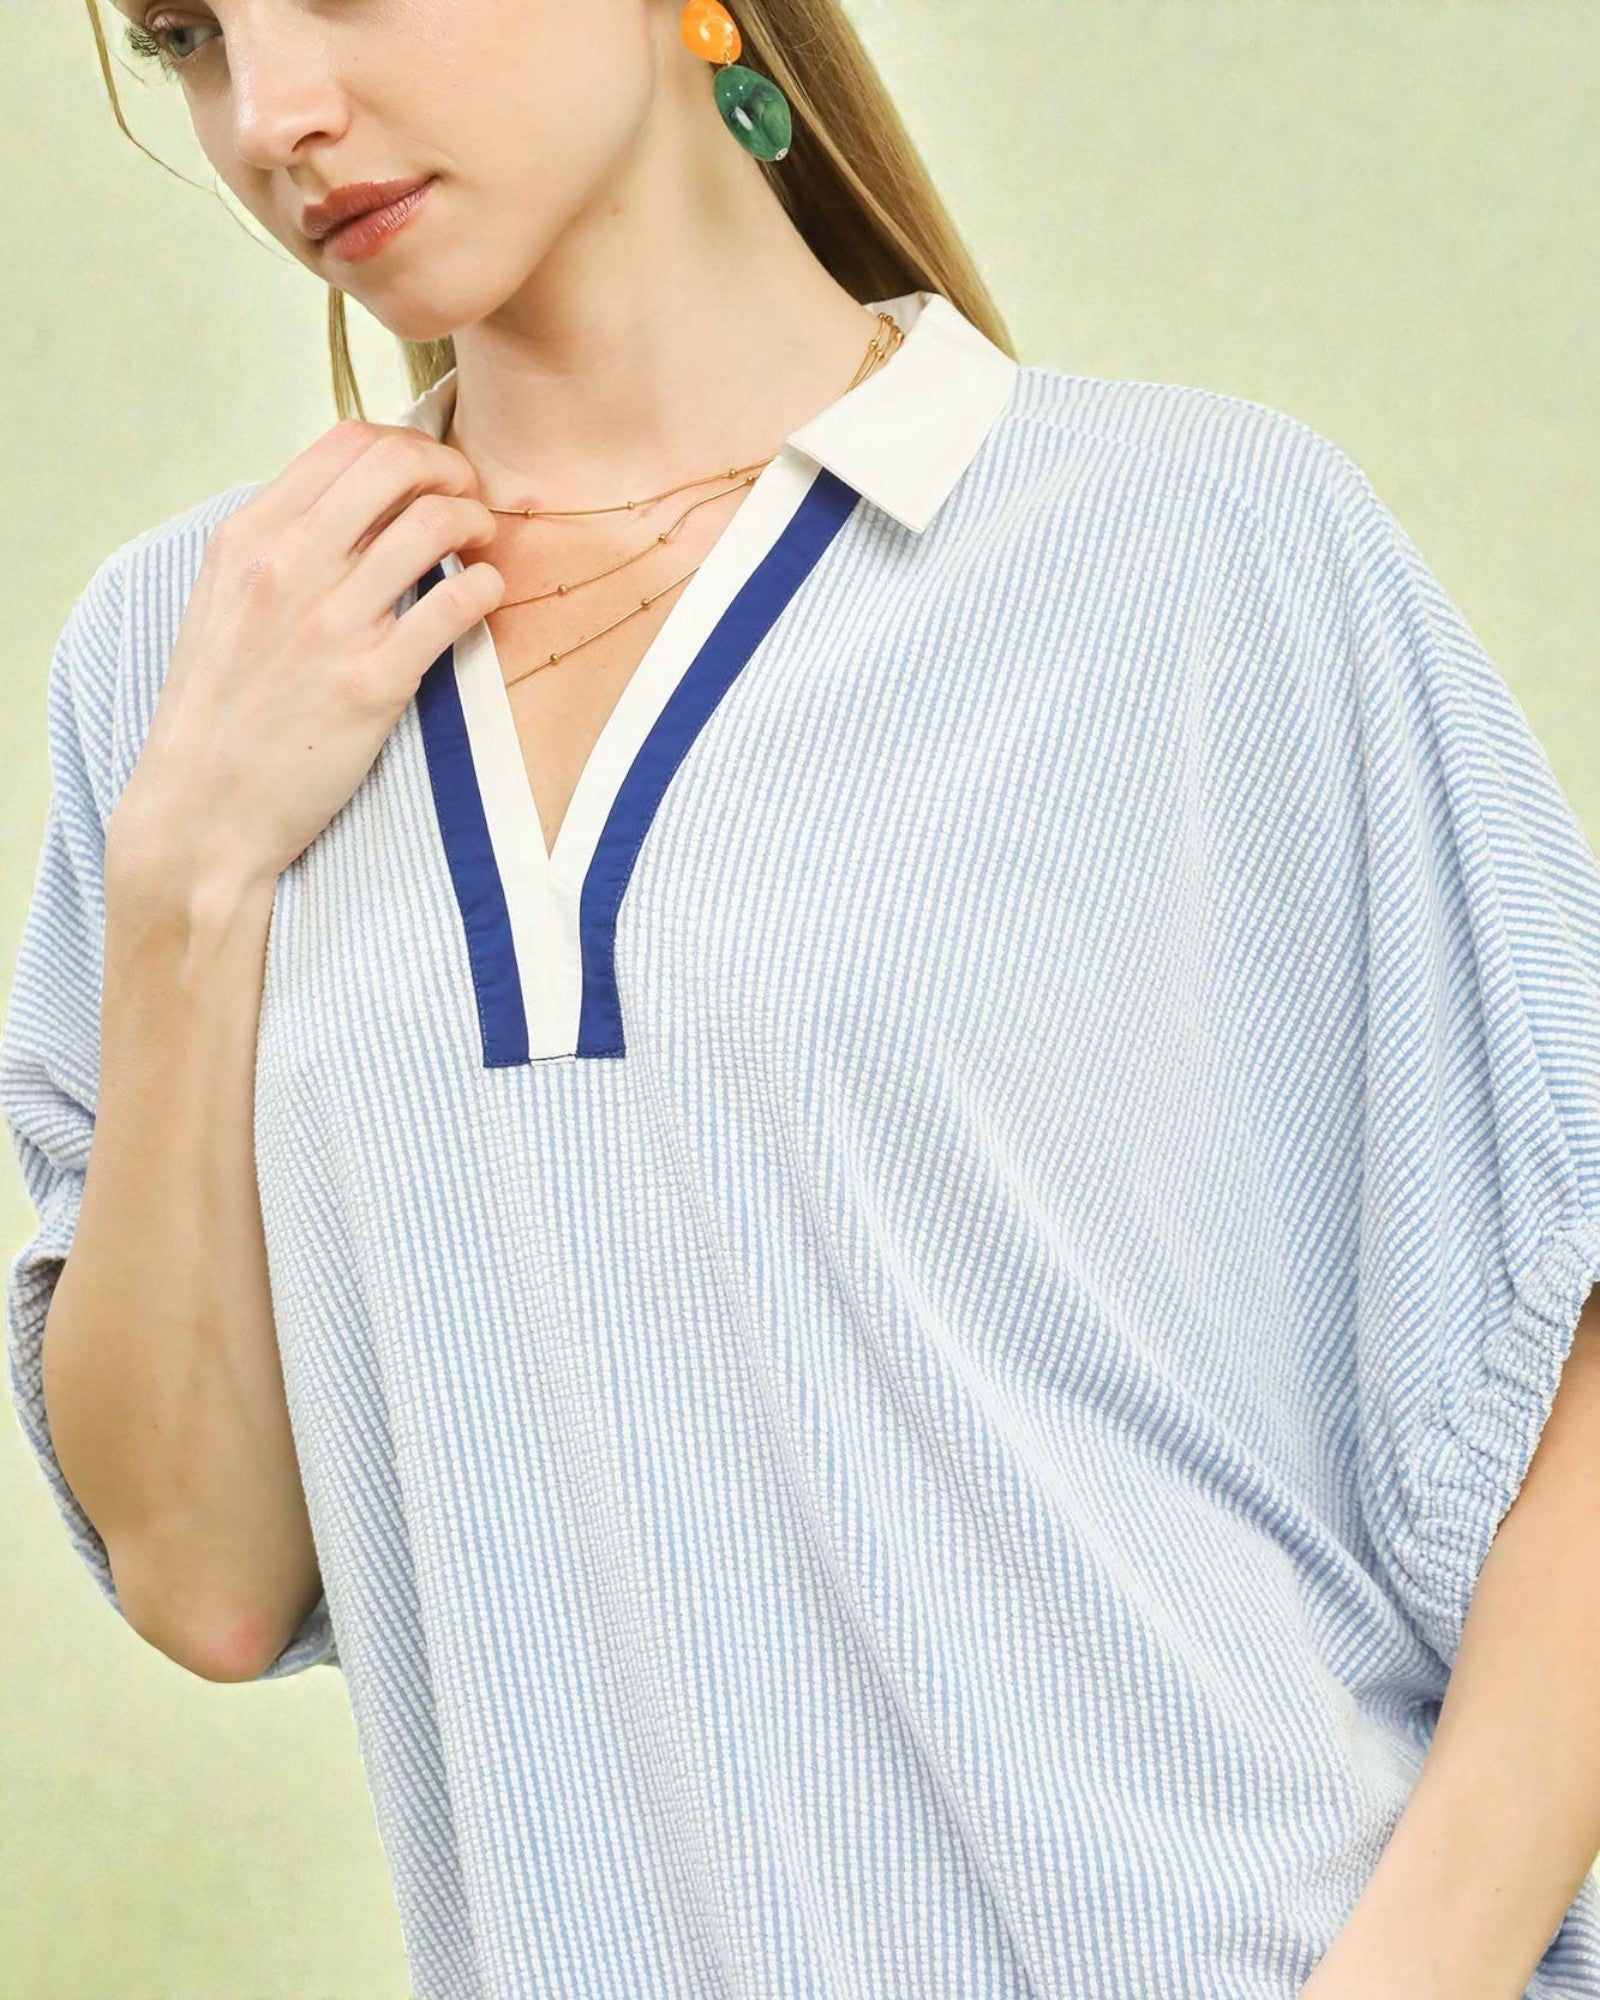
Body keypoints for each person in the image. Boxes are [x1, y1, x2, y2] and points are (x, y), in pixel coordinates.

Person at [7, 2, 1600, 1995]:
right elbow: (207, 1574)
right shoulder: (190, 655)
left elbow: (1564, 1384)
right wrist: (185, 878)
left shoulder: (1195, 551)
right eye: (185, 35)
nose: (276, 114)